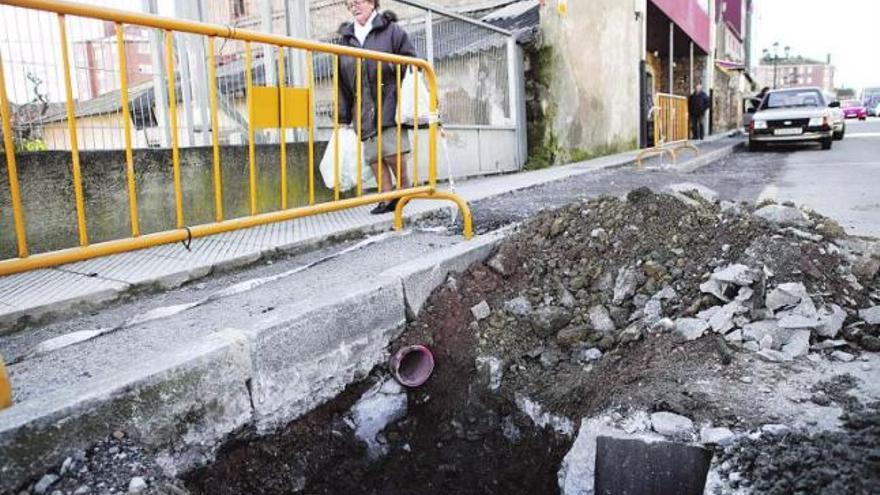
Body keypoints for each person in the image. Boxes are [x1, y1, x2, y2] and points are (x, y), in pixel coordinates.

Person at [337, 0, 417, 214]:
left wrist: (391, 66)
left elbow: (411, 60)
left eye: (358, 1)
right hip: (361, 105)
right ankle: (385, 198)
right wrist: (343, 118)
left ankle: (404, 188)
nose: (354, 6)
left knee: (392, 151)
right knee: (373, 156)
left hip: (388, 98)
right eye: (349, 3)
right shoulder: (345, 39)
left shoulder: (392, 31)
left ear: (372, 3)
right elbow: (342, 83)